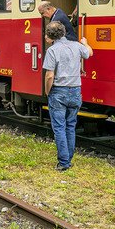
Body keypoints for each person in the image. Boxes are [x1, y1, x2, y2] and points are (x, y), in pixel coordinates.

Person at [42, 21, 93, 171]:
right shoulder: (77, 46)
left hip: (59, 91)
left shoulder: (52, 50)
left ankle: (64, 163)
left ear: (50, 36)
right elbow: (89, 53)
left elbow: (49, 75)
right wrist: (86, 43)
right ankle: (68, 158)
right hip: (75, 90)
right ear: (64, 32)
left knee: (59, 127)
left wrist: (47, 91)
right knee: (70, 126)